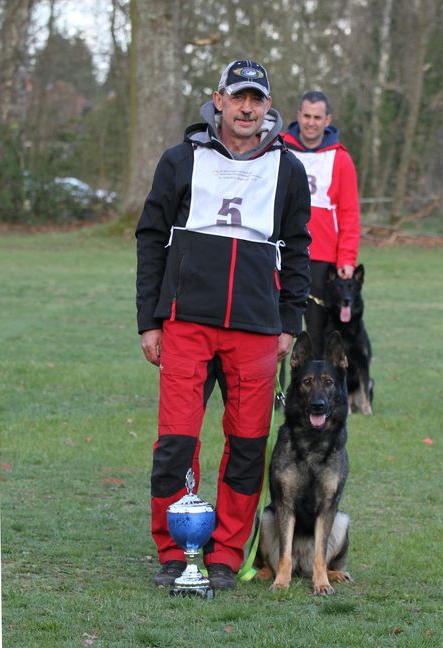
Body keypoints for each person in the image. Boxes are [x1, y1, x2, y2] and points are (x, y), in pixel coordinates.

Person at [135, 59, 311, 591]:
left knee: (248, 444)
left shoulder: (289, 169)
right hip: (186, 322)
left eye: (257, 99)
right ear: (218, 99)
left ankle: (226, 554)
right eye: (238, 97)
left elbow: (299, 250)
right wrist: (149, 319)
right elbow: (150, 237)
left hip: (256, 329)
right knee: (176, 443)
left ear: (267, 106)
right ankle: (175, 549)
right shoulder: (179, 160)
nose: (247, 108)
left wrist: (290, 320)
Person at [280, 90, 360, 355]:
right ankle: (271, 392)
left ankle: (310, 394)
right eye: (307, 116)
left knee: (315, 335)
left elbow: (349, 213)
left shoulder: (341, 159)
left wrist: (346, 258)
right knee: (273, 328)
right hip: (280, 251)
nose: (311, 122)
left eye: (317, 117)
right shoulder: (278, 148)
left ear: (328, 120)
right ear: (298, 116)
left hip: (321, 258)